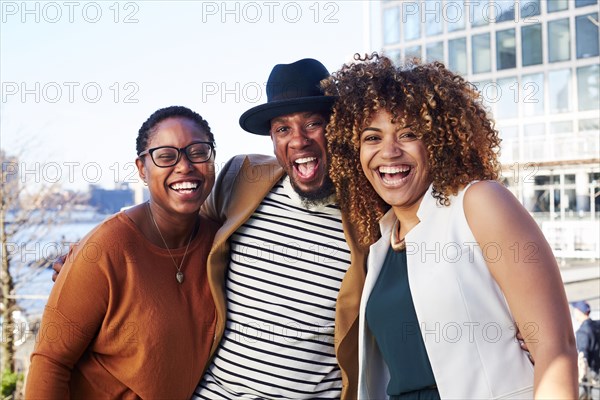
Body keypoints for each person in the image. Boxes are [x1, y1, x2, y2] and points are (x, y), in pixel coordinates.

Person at [322, 54, 578, 399]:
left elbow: (556, 349)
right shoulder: (381, 244)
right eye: (372, 137)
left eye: (408, 133)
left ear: (439, 142)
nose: (389, 151)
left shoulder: (479, 203)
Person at [191, 58, 367, 399]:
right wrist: (95, 250)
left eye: (313, 124)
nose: (298, 141)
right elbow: (170, 228)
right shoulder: (240, 178)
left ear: (337, 129)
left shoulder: (369, 212)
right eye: (283, 129)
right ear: (272, 139)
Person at [26, 106, 220, 398]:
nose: (185, 166)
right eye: (166, 156)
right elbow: (49, 363)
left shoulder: (220, 239)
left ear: (213, 159)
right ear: (143, 169)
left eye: (198, 152)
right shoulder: (104, 250)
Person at [572, 300, 600, 399]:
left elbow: (583, 355)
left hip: (592, 374)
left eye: (575, 310)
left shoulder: (582, 332)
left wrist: (581, 376)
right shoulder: (598, 324)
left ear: (579, 312)